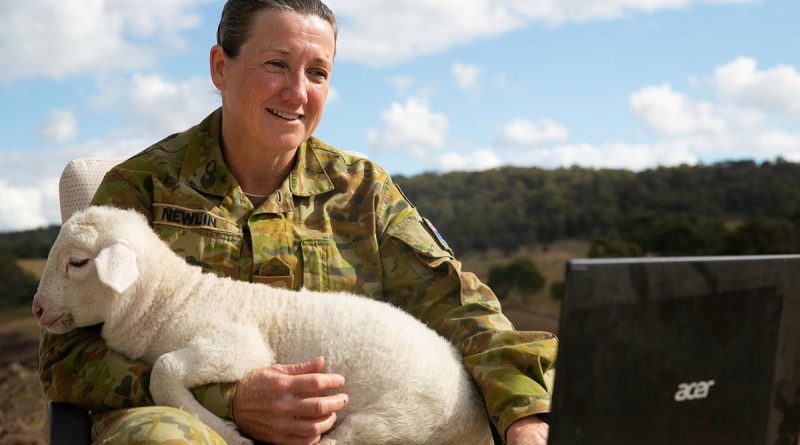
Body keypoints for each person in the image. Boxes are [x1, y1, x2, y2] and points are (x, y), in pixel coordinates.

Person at [38, 1, 557, 444]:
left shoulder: (363, 190)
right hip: (188, 422)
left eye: (318, 73)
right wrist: (230, 398)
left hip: (345, 423)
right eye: (276, 64)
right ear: (220, 67)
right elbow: (64, 357)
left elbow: (462, 310)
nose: (297, 93)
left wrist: (523, 415)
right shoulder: (139, 189)